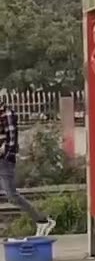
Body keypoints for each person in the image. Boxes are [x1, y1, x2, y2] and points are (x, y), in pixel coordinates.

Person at [0, 96, 54, 236]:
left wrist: (5, 158)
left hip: (4, 161)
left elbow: (11, 141)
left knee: (11, 195)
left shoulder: (7, 114)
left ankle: (42, 220)